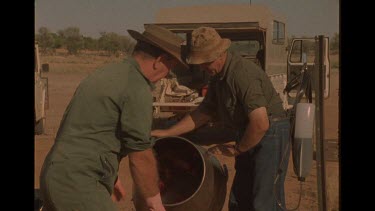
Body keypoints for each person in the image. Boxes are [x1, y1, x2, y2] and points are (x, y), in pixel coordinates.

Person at [39, 24, 187, 211]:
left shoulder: (106, 74)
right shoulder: (137, 87)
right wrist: (155, 201)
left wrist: (113, 177)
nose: (166, 75)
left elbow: (86, 129)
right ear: (159, 61)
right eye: (169, 68)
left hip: (54, 173)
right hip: (78, 183)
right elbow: (140, 155)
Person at [151, 26, 290, 211]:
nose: (201, 67)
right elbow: (203, 113)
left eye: (204, 62)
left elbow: (260, 123)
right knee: (240, 197)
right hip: (247, 130)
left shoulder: (241, 74)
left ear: (219, 55)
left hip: (270, 133)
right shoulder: (218, 77)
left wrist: (237, 149)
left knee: (264, 199)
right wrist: (168, 132)